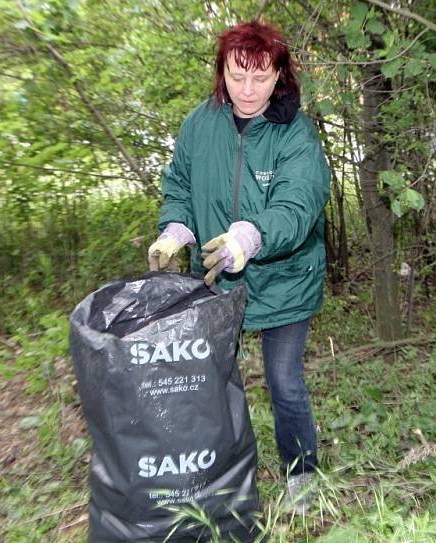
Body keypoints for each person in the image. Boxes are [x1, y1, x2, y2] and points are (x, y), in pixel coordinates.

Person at [148, 20, 330, 512]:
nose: (248, 91)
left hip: (286, 278)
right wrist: (176, 230)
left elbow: (299, 204)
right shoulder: (198, 124)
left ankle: (302, 477)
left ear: (279, 77)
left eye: (260, 78)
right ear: (221, 73)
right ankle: (225, 477)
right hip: (214, 278)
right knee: (213, 382)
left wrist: (251, 235)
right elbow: (179, 186)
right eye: (236, 76)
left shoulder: (296, 132)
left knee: (284, 381)